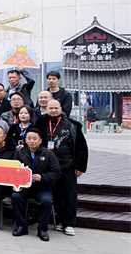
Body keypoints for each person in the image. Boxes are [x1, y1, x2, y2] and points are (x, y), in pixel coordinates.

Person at [35, 99, 89, 236]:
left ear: (61, 109)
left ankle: (69, 223)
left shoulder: (72, 125)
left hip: (67, 165)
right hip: (48, 166)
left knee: (70, 195)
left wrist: (79, 166)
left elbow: (81, 147)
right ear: (46, 109)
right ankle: (59, 221)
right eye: (51, 108)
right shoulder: (40, 122)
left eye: (56, 108)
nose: (53, 111)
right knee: (56, 195)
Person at [11, 128, 62, 241]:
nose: (32, 141)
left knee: (46, 200)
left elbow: (57, 173)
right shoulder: (19, 152)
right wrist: (15, 184)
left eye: (35, 138)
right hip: (24, 186)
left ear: (40, 140)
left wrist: (42, 177)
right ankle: (22, 226)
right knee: (16, 197)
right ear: (25, 140)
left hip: (42, 187)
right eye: (29, 138)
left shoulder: (49, 154)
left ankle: (42, 229)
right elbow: (13, 171)